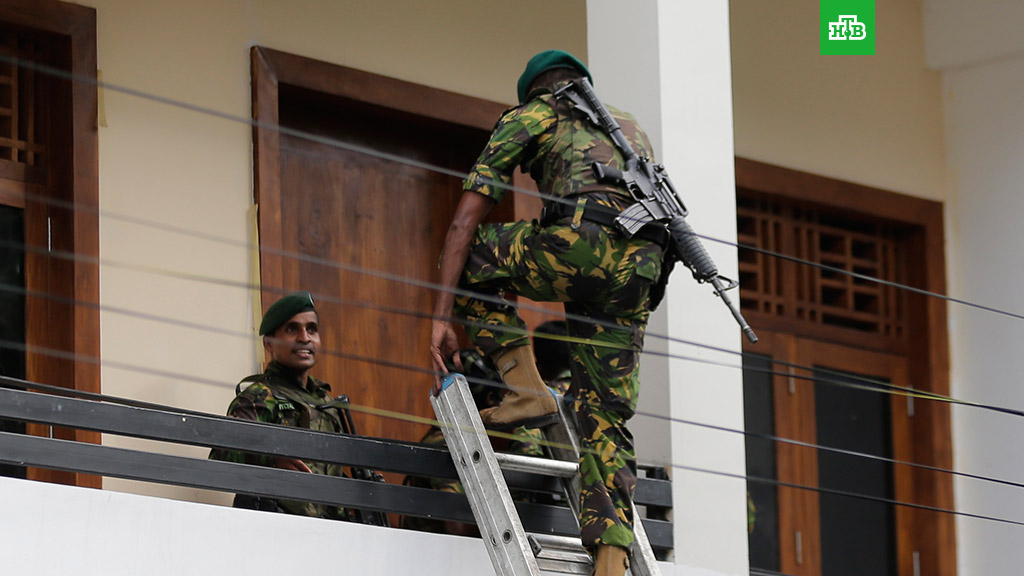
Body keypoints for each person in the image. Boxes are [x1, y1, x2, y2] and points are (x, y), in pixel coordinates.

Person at [429, 50, 666, 576]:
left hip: (582, 247)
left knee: (470, 256)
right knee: (604, 417)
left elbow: (464, 222)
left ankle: (524, 388)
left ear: (536, 89)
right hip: (640, 271)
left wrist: (441, 317)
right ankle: (610, 561)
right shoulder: (630, 128)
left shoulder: (533, 113)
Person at [210, 290, 357, 521]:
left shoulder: (328, 404)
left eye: (312, 329)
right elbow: (222, 458)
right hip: (273, 527)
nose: (304, 338)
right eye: (292, 329)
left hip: (329, 530)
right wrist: (270, 460)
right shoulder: (258, 397)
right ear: (269, 343)